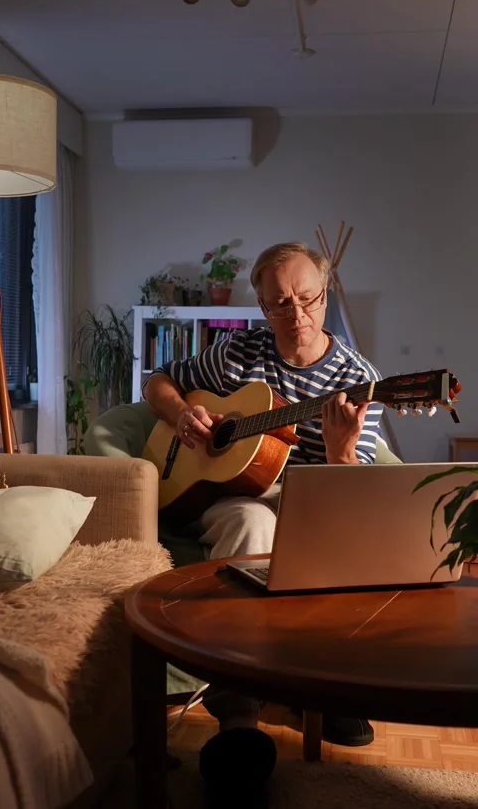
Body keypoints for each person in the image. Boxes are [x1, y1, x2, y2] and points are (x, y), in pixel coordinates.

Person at [143, 243, 384, 795]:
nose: (296, 315)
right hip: (234, 497)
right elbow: (159, 379)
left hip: (316, 503)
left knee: (334, 543)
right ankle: (238, 714)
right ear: (261, 306)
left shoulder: (357, 377)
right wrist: (183, 414)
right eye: (280, 304)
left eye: (307, 299)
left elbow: (355, 499)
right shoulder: (236, 353)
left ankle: (323, 684)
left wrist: (342, 453)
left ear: (325, 295)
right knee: (253, 524)